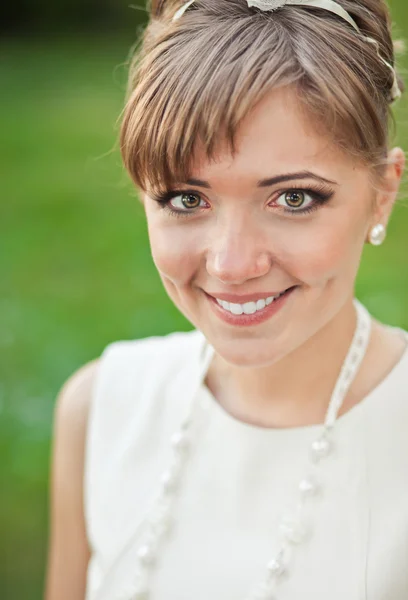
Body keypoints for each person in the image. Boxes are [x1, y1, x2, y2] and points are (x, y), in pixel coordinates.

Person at [45, 1, 408, 599]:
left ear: (382, 195)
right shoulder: (101, 409)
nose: (233, 265)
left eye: (294, 199)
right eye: (187, 200)